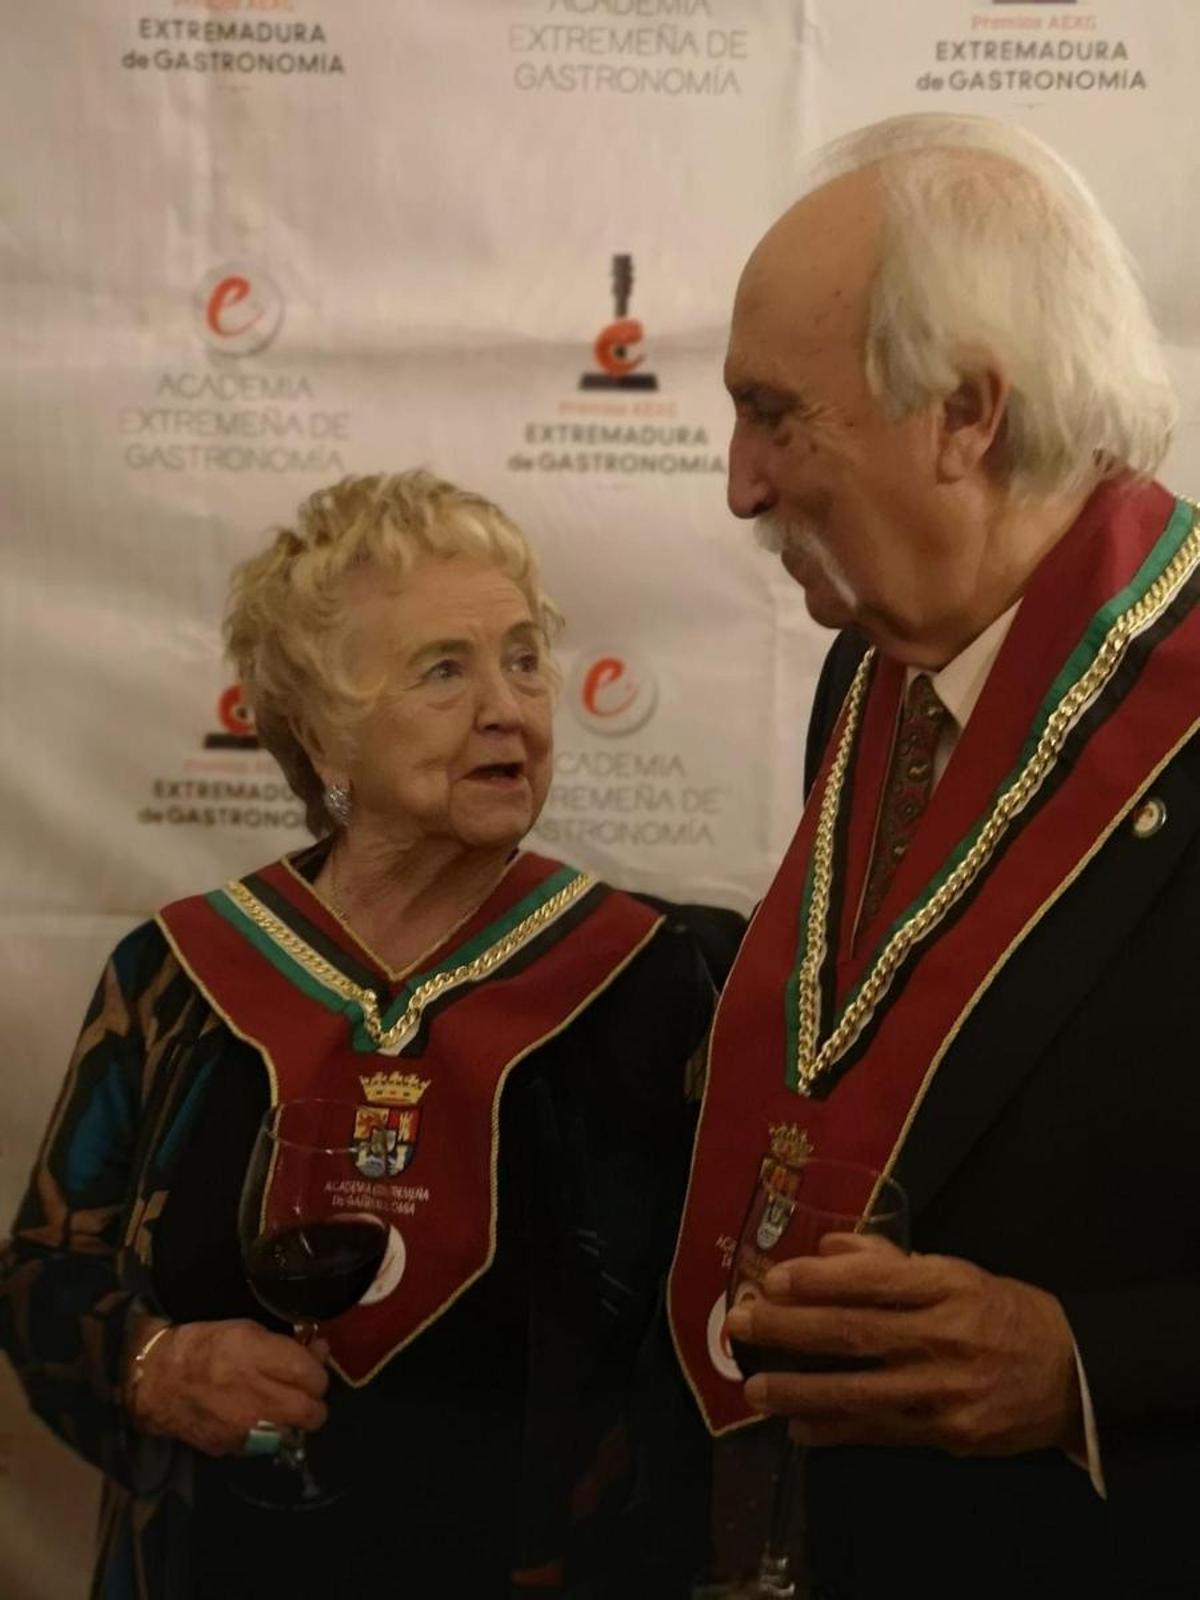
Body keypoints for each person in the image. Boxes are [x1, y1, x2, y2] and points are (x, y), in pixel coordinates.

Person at [1, 471, 741, 1599]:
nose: (510, 706)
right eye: (445, 669)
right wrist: (155, 1364)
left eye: (525, 657)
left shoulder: (661, 979)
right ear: (318, 731)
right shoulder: (176, 977)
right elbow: (43, 1276)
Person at [667, 113, 1200, 1597]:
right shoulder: (877, 667)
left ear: (967, 413)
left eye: (778, 415)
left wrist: (1084, 1363)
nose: (740, 485)